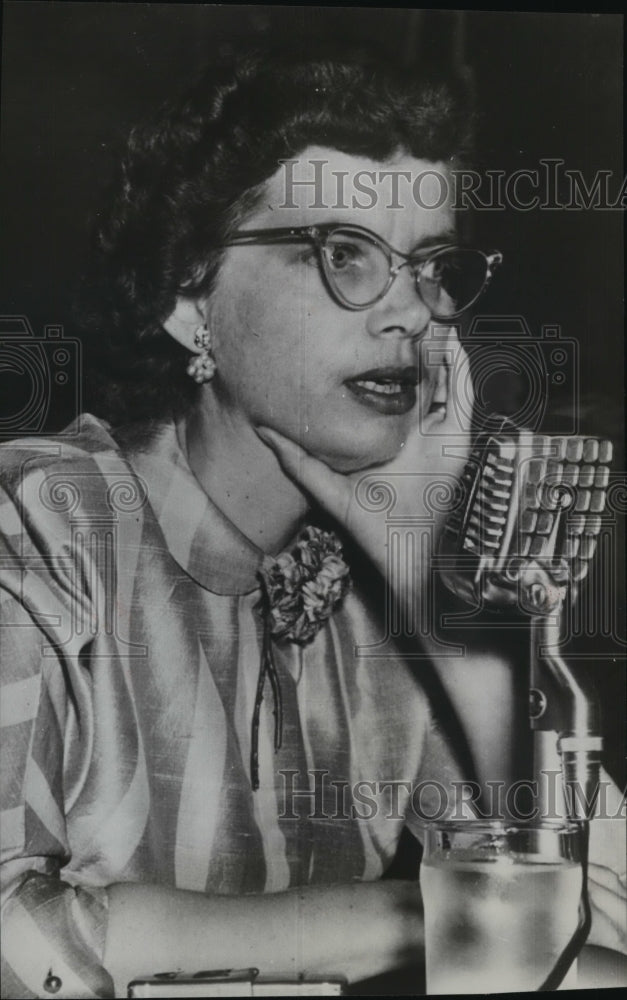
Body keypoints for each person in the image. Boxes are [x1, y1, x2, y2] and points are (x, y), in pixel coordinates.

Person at [1, 45, 624, 1000]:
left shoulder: (376, 589)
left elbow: (593, 920)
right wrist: (425, 917)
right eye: (343, 255)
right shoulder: (38, 531)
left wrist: (435, 593)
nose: (411, 314)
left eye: (433, 267)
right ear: (186, 295)